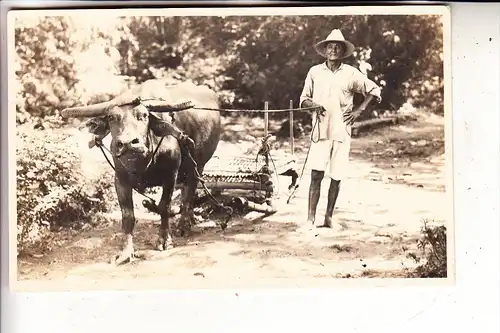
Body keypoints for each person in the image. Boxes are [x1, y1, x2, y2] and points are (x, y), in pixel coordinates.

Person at [299, 29, 382, 229]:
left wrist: (358, 111)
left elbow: (374, 90)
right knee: (316, 174)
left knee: (336, 176)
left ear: (342, 51)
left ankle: (328, 218)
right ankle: (310, 220)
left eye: (337, 46)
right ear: (325, 50)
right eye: (330, 46)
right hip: (320, 132)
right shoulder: (315, 72)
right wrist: (313, 105)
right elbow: (303, 100)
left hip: (341, 132)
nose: (333, 50)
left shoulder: (351, 73)